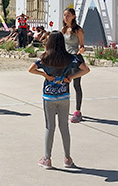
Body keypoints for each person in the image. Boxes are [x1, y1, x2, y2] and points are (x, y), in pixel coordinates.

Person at [28, 31, 89, 169]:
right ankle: (67, 158)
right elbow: (85, 70)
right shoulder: (70, 58)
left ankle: (47, 158)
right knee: (64, 127)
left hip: (49, 96)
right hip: (64, 95)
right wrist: (72, 77)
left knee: (50, 127)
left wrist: (44, 75)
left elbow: (31, 69)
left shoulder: (45, 57)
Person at [62, 8, 85, 123]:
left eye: (68, 15)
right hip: (65, 60)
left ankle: (78, 111)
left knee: (76, 85)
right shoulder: (64, 29)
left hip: (75, 59)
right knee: (65, 83)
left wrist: (81, 50)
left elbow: (82, 46)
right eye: (64, 15)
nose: (66, 17)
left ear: (74, 16)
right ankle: (64, 107)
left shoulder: (78, 30)